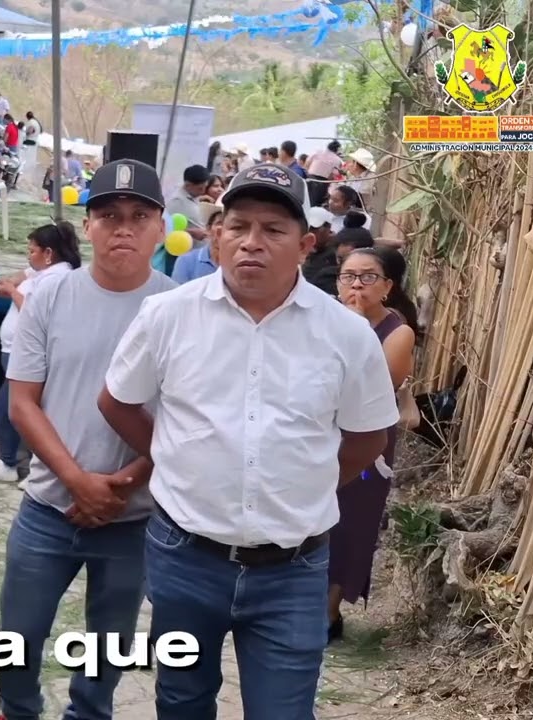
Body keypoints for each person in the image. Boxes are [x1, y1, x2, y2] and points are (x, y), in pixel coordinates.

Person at [97, 163, 399, 719]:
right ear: (215, 236)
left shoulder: (346, 334)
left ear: (306, 244)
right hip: (185, 555)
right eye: (238, 227)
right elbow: (116, 401)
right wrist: (174, 455)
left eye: (273, 230)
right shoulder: (168, 315)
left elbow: (367, 437)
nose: (251, 243)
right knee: (182, 702)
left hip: (294, 568)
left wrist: (303, 483)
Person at [0, 159, 178, 720]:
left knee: (109, 643)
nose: (122, 228)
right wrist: (77, 480)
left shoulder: (180, 307)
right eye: (108, 215)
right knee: (18, 638)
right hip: (49, 504)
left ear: (159, 226)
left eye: (138, 216)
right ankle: (18, 710)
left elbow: (185, 419)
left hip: (135, 514)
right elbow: (23, 401)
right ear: (89, 226)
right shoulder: (51, 296)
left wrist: (124, 484)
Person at [328, 247, 417, 642]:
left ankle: (328, 612)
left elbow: (376, 388)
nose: (357, 285)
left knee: (351, 521)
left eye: (368, 277)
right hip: (321, 435)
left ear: (387, 287)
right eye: (349, 276)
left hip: (368, 444)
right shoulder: (322, 318)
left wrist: (357, 327)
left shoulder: (398, 332)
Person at [0, 221, 83, 485]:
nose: (28, 254)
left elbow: (35, 314)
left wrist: (12, 292)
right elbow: (22, 274)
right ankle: (10, 462)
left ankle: (31, 466)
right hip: (14, 351)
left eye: (32, 250)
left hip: (30, 354)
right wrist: (8, 281)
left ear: (48, 253)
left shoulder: (57, 279)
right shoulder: (43, 272)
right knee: (8, 407)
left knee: (20, 409)